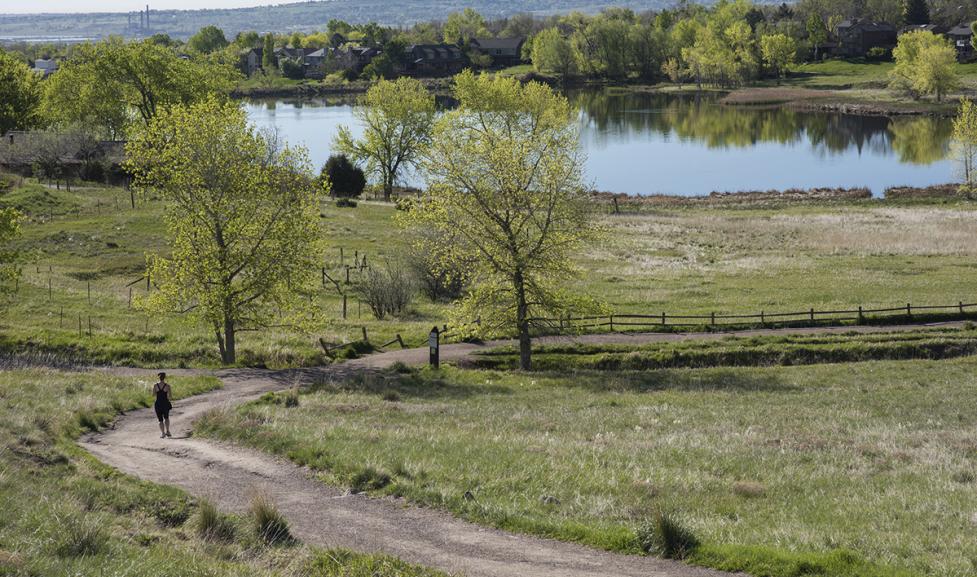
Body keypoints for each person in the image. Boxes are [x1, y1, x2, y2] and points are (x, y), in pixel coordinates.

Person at [153, 372, 172, 439]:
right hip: (165, 403)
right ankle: (168, 431)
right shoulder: (167, 386)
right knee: (166, 418)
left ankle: (163, 433)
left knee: (160, 420)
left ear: (159, 377)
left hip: (158, 404)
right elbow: (170, 396)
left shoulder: (155, 385)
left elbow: (154, 395)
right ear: (165, 377)